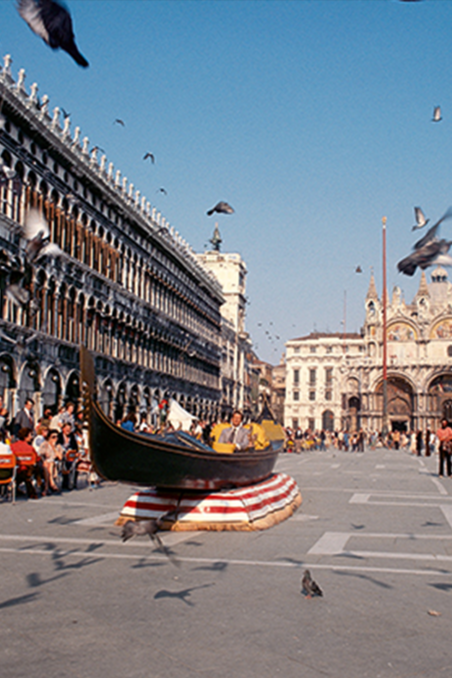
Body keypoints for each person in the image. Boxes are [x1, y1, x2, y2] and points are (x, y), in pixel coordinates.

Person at [10, 427, 39, 499]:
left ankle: (16, 489)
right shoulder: (30, 448)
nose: (31, 437)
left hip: (14, 470)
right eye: (30, 435)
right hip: (27, 470)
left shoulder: (12, 446)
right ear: (25, 436)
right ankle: (36, 490)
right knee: (35, 469)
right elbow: (36, 458)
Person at [39, 429, 63, 494]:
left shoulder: (58, 446)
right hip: (46, 463)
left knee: (51, 463)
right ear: (49, 437)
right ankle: (51, 484)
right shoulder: (44, 444)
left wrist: (54, 448)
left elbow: (60, 457)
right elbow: (41, 454)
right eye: (53, 437)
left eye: (56, 437)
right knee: (47, 464)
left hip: (55, 464)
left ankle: (46, 487)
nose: (55, 438)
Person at [57, 422, 79, 490]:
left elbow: (75, 447)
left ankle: (72, 483)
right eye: (66, 429)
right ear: (63, 429)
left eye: (69, 429)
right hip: (62, 455)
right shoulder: (59, 436)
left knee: (75, 463)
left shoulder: (72, 436)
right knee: (65, 463)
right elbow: (57, 446)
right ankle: (66, 482)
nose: (68, 430)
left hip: (70, 455)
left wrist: (76, 453)